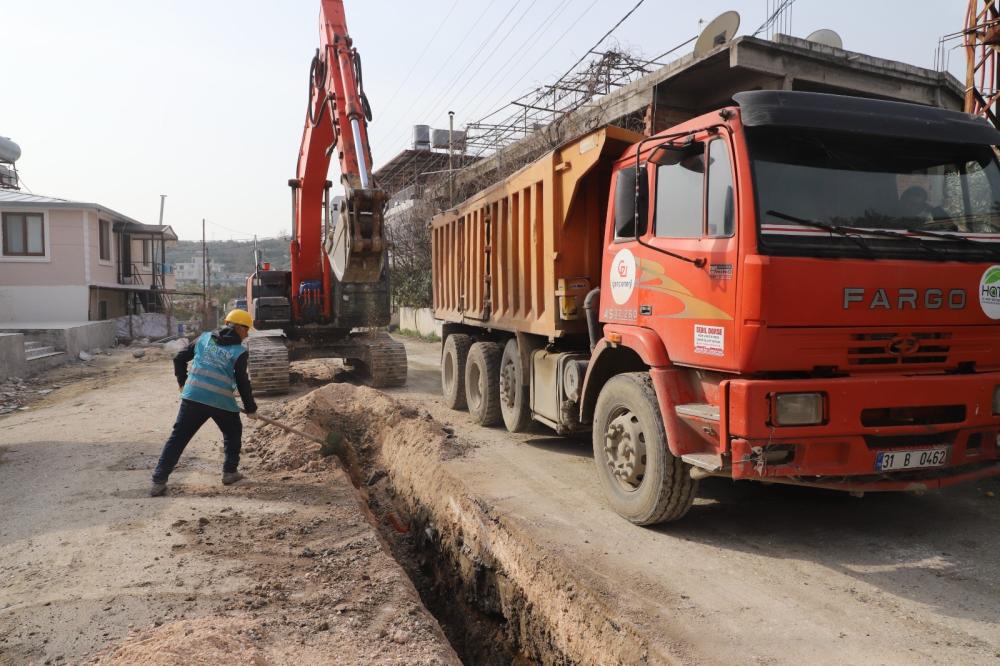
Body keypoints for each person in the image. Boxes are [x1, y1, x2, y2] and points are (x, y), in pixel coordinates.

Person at [150, 309, 259, 497]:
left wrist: (183, 383)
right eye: (246, 329)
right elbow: (242, 382)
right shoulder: (239, 352)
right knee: (233, 432)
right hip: (220, 401)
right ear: (239, 328)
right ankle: (230, 472)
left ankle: (158, 481)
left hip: (193, 397)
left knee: (178, 438)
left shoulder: (204, 338)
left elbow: (179, 358)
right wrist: (251, 408)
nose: (247, 334)